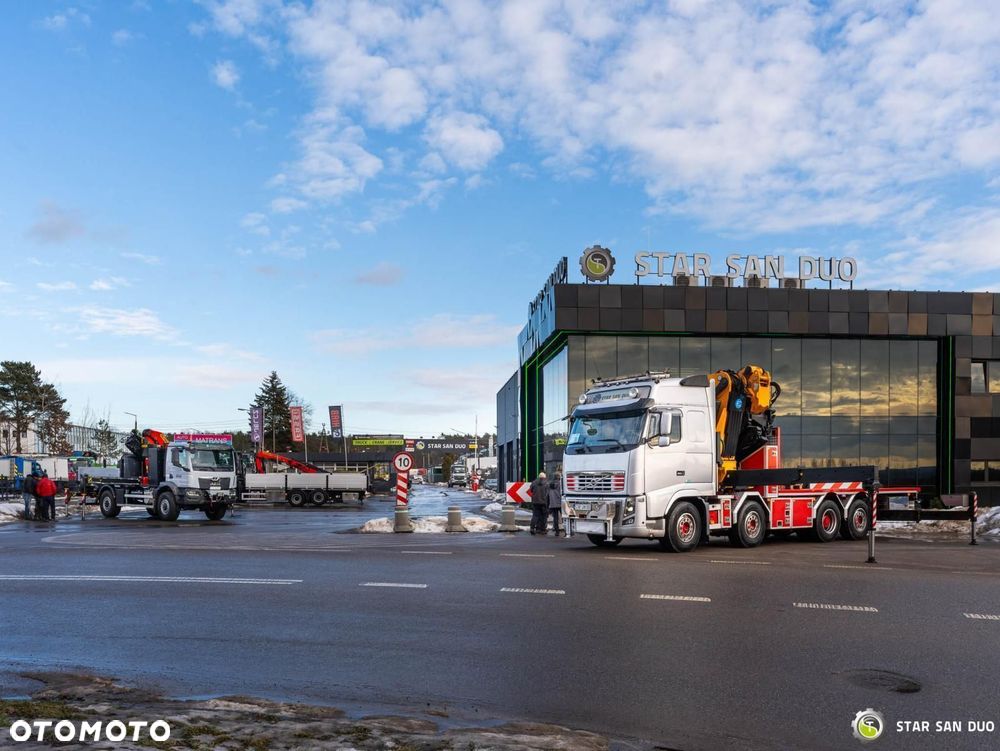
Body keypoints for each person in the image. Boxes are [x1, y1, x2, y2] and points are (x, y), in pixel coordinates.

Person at [547, 472, 563, 537]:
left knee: (555, 518)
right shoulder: (560, 483)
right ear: (558, 477)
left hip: (553, 503)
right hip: (560, 503)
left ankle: (557, 532)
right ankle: (567, 530)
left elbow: (547, 494)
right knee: (564, 517)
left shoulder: (549, 484)